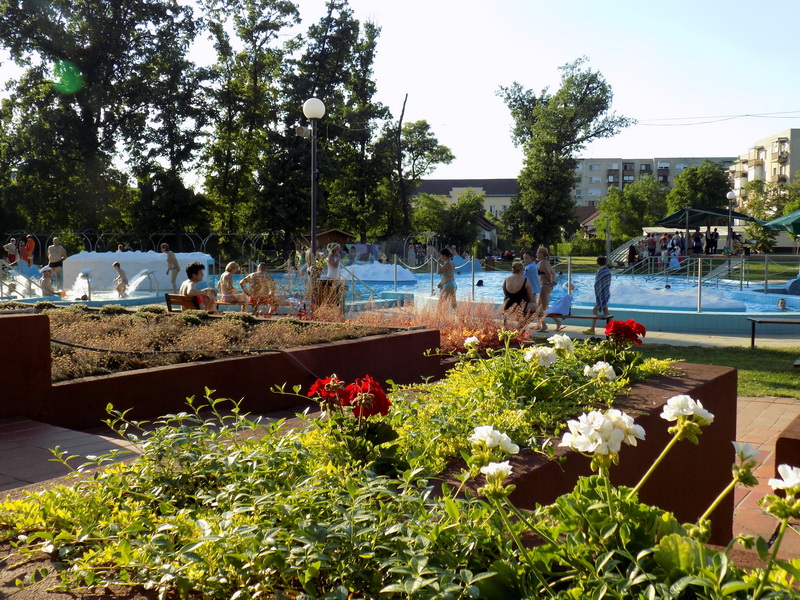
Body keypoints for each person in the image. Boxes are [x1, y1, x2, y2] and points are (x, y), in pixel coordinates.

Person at [583, 256, 611, 336]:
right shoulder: (608, 271)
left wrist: (598, 293)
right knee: (606, 312)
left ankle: (593, 329)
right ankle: (611, 329)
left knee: (595, 310)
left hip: (601, 294)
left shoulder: (600, 271)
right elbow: (606, 283)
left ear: (598, 263)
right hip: (605, 293)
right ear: (605, 262)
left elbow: (597, 284)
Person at [502, 261, 535, 327]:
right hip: (521, 306)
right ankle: (522, 325)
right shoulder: (525, 280)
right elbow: (530, 298)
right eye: (524, 270)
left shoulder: (506, 280)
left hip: (507, 306)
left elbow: (505, 293)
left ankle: (514, 323)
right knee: (537, 308)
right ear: (521, 270)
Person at [536, 247, 557, 324]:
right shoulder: (545, 262)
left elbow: (548, 274)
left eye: (537, 253)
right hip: (545, 285)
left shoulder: (543, 263)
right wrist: (552, 281)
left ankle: (558, 322)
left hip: (544, 286)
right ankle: (540, 325)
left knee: (545, 307)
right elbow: (553, 273)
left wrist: (550, 282)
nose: (536, 254)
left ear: (541, 254)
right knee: (538, 307)